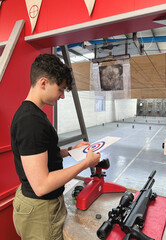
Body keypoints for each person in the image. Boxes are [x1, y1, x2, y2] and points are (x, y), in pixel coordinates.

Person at [10, 53, 100, 240]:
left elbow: (41, 154)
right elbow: (42, 185)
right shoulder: (31, 121)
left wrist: (70, 152)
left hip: (36, 205)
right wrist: (85, 163)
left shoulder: (33, 114)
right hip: (40, 211)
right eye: (60, 89)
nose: (62, 96)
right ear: (43, 83)